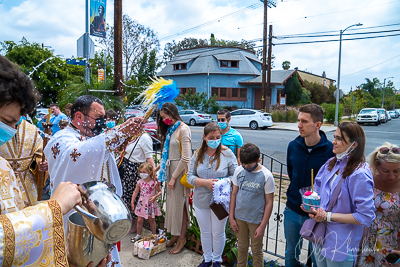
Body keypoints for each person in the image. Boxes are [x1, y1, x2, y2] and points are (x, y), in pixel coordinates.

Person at [0, 55, 110, 266]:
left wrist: (38, 167)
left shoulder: (31, 133)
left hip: (27, 194)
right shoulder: (63, 137)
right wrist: (54, 208)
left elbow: (37, 158)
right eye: (7, 122)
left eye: (16, 123)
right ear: (79, 117)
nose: (13, 131)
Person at [44, 95, 145, 267]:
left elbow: (100, 150)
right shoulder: (61, 138)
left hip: (99, 214)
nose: (102, 122)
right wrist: (117, 133)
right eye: (98, 118)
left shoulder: (90, 136)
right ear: (79, 117)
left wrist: (122, 138)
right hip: (76, 217)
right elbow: (78, 154)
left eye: (103, 117)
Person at [301, 122, 375, 266]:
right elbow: (318, 190)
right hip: (320, 237)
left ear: (354, 144)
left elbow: (366, 216)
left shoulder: (360, 174)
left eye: (339, 138)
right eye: (335, 137)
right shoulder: (330, 163)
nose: (333, 142)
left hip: (340, 244)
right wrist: (312, 207)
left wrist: (327, 216)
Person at [284, 103, 334, 267]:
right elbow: (292, 173)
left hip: (317, 213)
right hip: (293, 210)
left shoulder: (330, 151)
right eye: (299, 120)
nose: (299, 125)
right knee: (291, 253)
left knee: (315, 258)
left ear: (317, 125)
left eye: (304, 121)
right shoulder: (293, 146)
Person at [188, 122, 238, 267]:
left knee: (218, 232)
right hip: (201, 200)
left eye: (218, 137)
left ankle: (217, 260)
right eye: (212, 137)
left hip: (220, 202)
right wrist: (205, 182)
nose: (215, 140)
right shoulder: (197, 155)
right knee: (205, 231)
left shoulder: (227, 153)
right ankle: (207, 258)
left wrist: (221, 182)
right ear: (204, 137)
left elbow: (235, 176)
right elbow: (190, 177)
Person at [229, 143, 275, 267]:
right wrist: (231, 217)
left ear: (258, 160)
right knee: (242, 247)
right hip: (240, 218)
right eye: (243, 163)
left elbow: (270, 202)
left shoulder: (266, 176)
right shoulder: (239, 170)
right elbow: (234, 194)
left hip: (256, 220)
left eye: (248, 165)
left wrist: (262, 225)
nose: (245, 167)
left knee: (257, 251)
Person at [357, 143, 400, 267]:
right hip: (363, 240)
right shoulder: (367, 177)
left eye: (397, 171)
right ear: (376, 165)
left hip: (390, 244)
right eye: (385, 171)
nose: (391, 176)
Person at [156, 102, 191, 254]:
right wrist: (159, 169)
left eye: (166, 116)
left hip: (178, 173)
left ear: (173, 113)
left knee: (181, 207)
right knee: (173, 207)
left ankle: (182, 238)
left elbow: (186, 158)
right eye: (162, 118)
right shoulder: (172, 129)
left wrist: (173, 177)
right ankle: (176, 235)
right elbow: (167, 154)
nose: (164, 120)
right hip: (170, 172)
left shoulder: (183, 129)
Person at [0, 114, 47, 205]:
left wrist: (39, 164)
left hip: (27, 182)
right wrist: (3, 168)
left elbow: (38, 154)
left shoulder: (31, 129)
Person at [120, 129, 156, 233]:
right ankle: (131, 222)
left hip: (136, 171)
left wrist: (153, 174)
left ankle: (136, 224)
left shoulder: (144, 138)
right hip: (128, 171)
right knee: (127, 196)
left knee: (136, 198)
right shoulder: (132, 136)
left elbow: (149, 158)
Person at [131, 162, 162, 242]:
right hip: (142, 204)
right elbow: (135, 192)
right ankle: (138, 235)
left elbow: (160, 191)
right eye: (140, 172)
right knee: (139, 220)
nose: (142, 174)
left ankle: (154, 235)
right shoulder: (140, 182)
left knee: (152, 220)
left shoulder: (154, 182)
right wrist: (132, 201)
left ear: (150, 172)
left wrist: (155, 197)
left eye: (144, 172)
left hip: (150, 204)